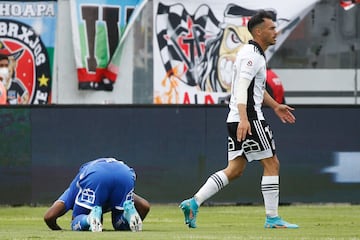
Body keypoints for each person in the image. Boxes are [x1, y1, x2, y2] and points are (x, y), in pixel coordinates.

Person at [180, 10, 298, 229]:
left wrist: (275, 106)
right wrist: (245, 119)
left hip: (237, 118)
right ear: (259, 31)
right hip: (249, 119)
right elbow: (243, 87)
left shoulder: (252, 53)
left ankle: (193, 202)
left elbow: (256, 88)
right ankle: (272, 218)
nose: (275, 32)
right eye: (271, 28)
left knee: (234, 169)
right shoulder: (252, 55)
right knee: (272, 164)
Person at [44, 157, 150, 232]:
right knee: (119, 224)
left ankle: (89, 219)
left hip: (95, 175)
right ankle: (127, 215)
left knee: (76, 221)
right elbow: (145, 206)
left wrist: (59, 231)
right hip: (125, 172)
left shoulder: (73, 190)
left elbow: (49, 217)